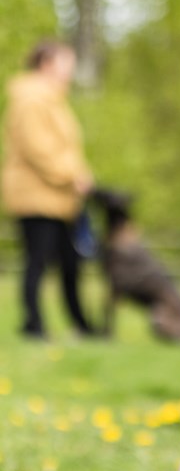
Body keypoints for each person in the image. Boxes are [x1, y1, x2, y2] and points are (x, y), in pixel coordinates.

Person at [1, 40, 94, 338]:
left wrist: (79, 173)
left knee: (70, 263)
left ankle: (82, 326)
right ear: (47, 64)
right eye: (67, 63)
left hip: (57, 197)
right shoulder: (32, 99)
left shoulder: (51, 98)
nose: (71, 71)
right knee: (38, 262)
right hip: (36, 195)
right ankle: (33, 326)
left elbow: (62, 147)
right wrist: (72, 175)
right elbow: (37, 148)